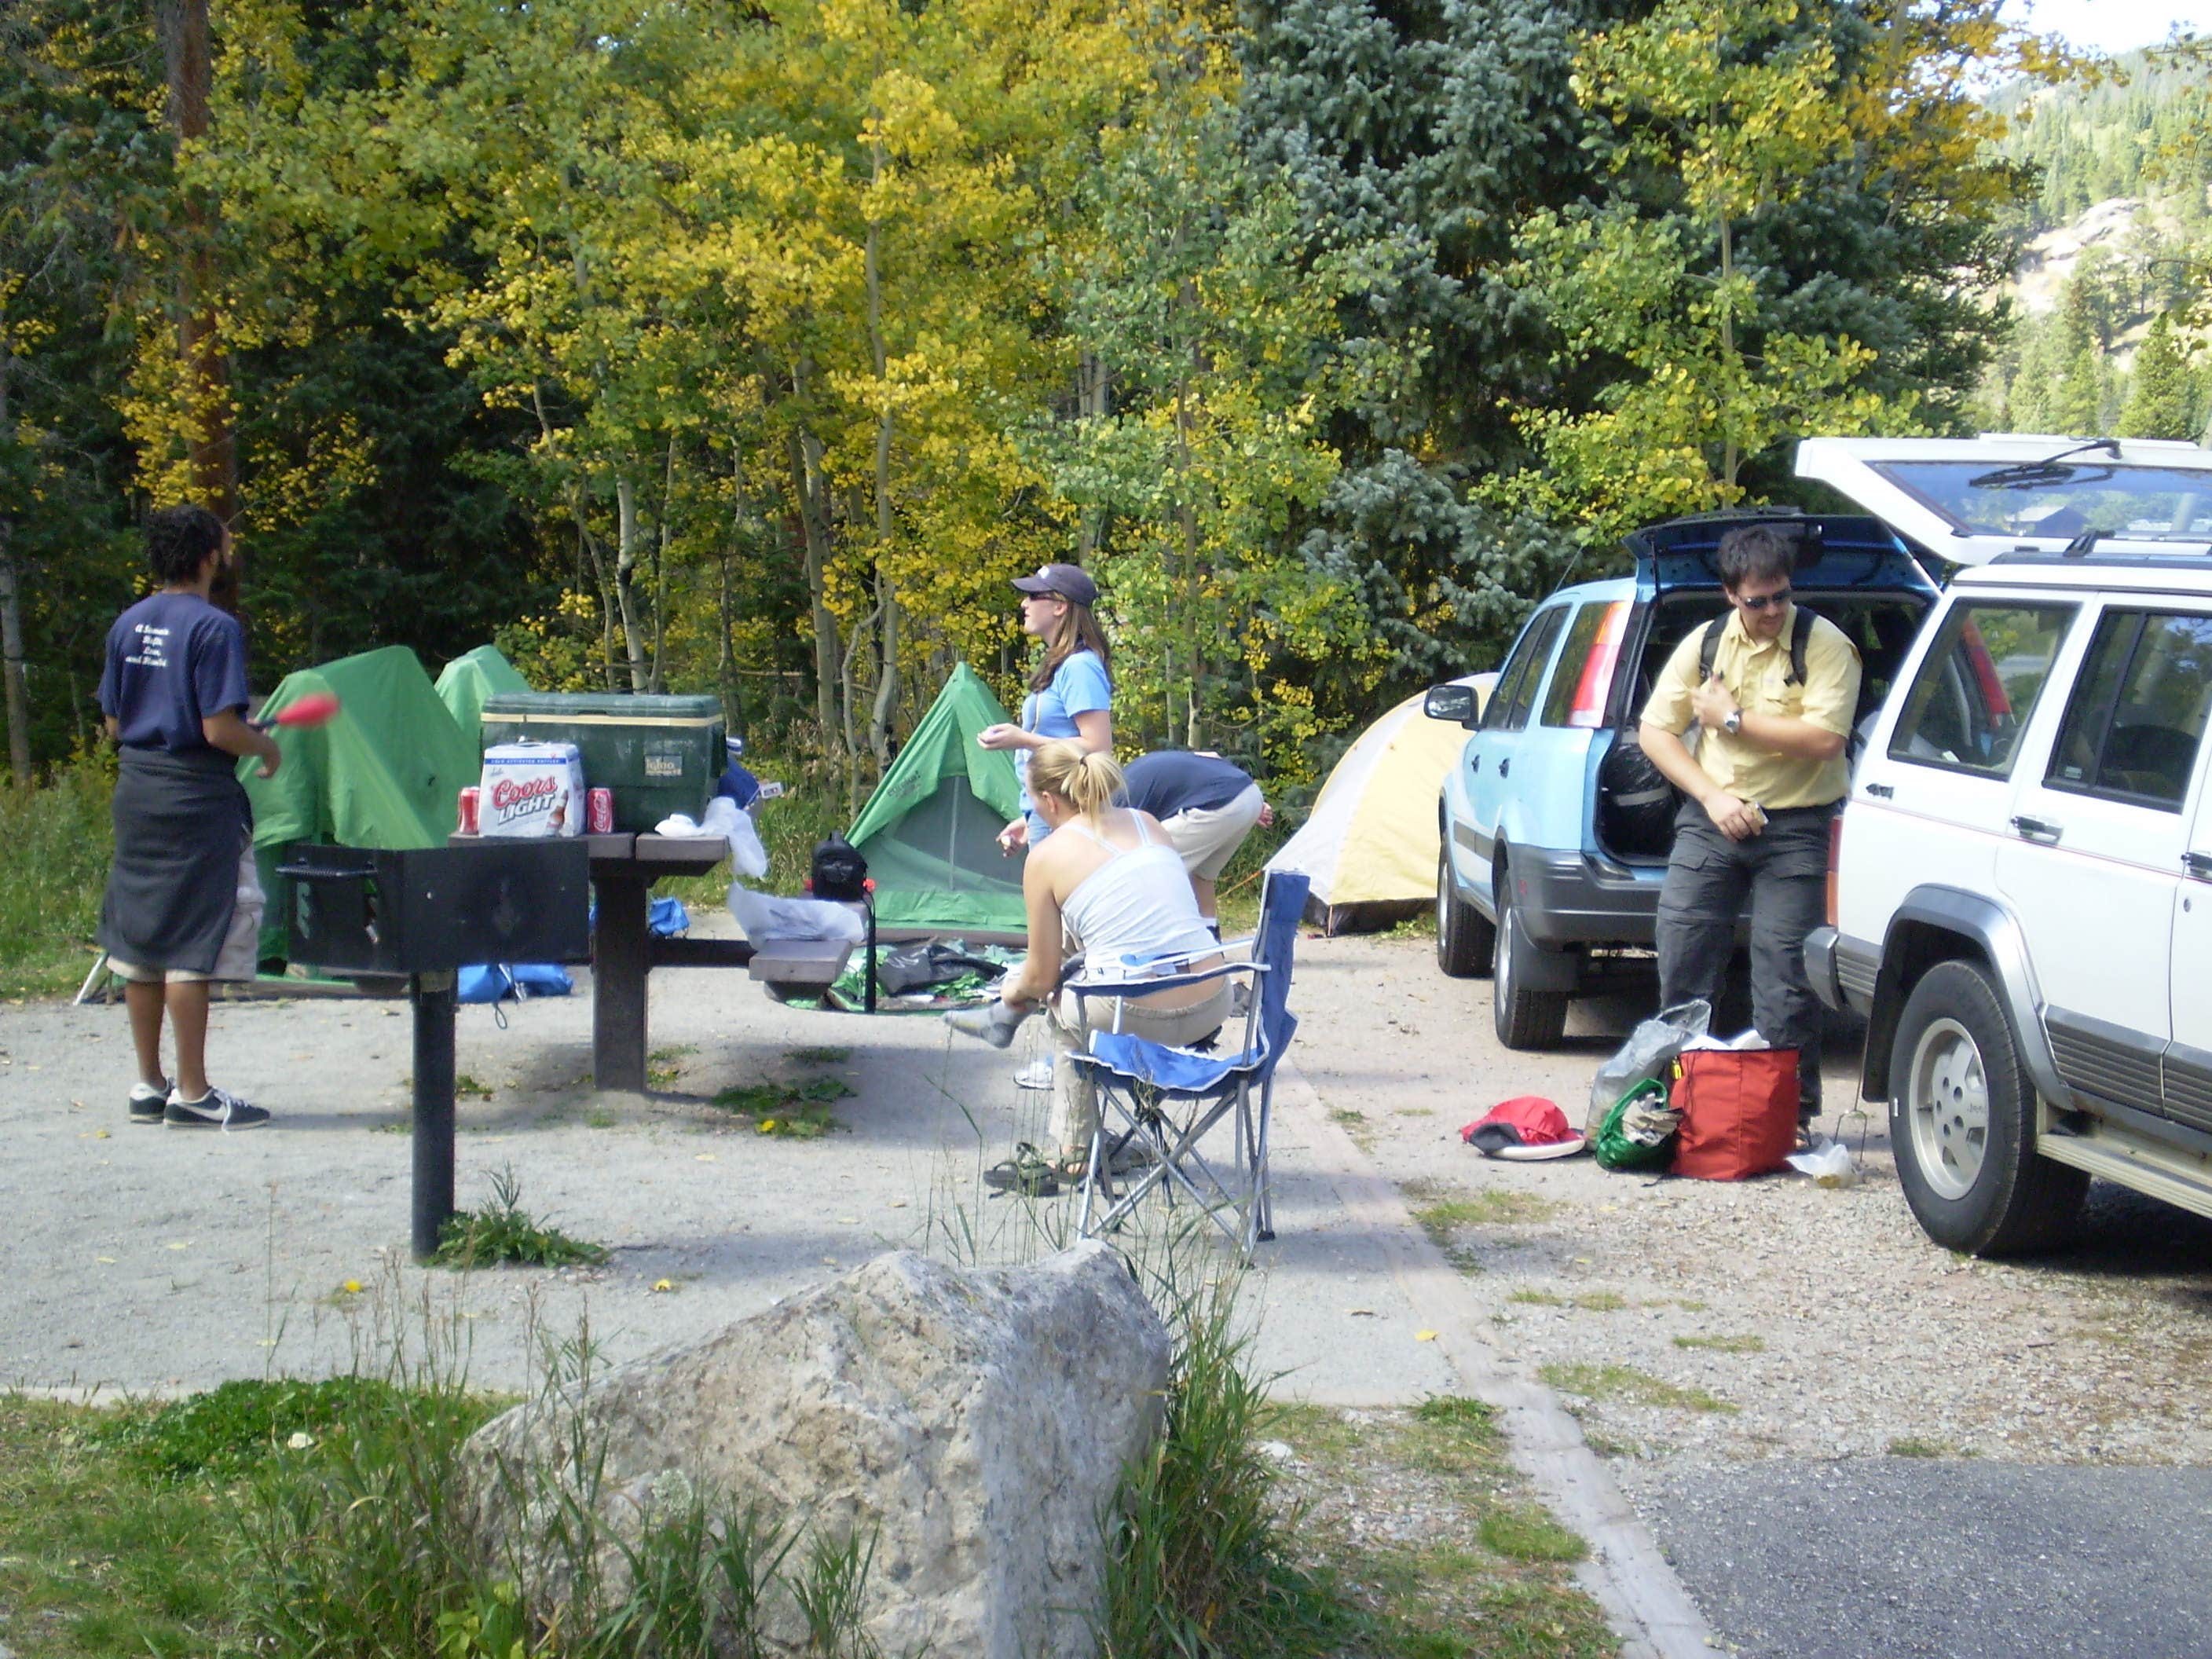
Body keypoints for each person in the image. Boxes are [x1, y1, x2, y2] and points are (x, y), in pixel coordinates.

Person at [1637, 522, 1862, 1132]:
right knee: (1683, 958)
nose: (1771, 611)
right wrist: (1710, 797)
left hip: (1797, 827)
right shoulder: (1707, 645)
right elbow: (1654, 732)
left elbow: (1825, 739)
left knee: (1786, 980)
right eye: (1757, 600)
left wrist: (1732, 719)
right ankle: (1676, 1106)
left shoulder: (1823, 645)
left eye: (1781, 597)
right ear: (1730, 594)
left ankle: (1788, 1117)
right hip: (1713, 821)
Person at [946, 741, 1227, 1176]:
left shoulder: (1045, 857)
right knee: (1092, 946)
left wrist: (1014, 988)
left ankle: (1074, 1148)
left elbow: (1041, 979)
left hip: (1137, 1012)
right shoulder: (1149, 823)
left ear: (1046, 800)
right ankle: (1006, 1020)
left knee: (1063, 1008)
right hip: (1213, 1000)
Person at [97, 504, 281, 1130]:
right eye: (225, 541)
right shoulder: (215, 627)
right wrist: (264, 744)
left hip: (137, 790)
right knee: (190, 946)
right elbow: (216, 728)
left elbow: (115, 724)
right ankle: (195, 1093)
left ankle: (150, 1086)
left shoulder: (127, 623)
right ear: (208, 556)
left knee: (141, 941)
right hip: (194, 801)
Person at [977, 562, 1111, 852]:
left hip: (1068, 810)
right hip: (1048, 809)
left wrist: (1022, 739)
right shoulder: (1062, 664)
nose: (1024, 603)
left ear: (1060, 607)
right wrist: (1029, 817)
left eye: (1034, 596)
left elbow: (1098, 747)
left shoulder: (1080, 666)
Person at [1118, 749, 1273, 929]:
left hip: (1219, 803)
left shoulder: (1109, 805)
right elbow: (1213, 756)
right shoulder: (1137, 769)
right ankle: (1209, 946)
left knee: (1146, 873)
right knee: (1202, 875)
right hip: (1249, 794)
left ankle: (1150, 945)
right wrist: (1245, 803)